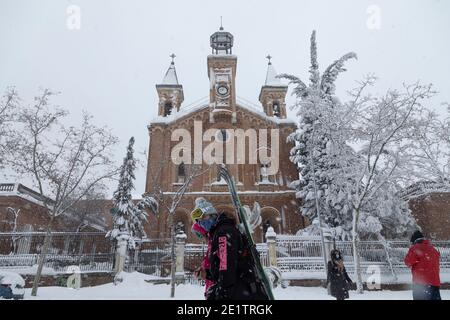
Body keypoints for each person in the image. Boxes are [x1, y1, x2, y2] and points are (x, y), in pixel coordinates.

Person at [190, 197, 269, 300]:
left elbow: (226, 266)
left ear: (211, 214)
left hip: (240, 291)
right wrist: (208, 273)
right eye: (199, 222)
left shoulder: (223, 233)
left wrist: (221, 293)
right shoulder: (220, 231)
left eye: (203, 218)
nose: (201, 223)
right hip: (241, 289)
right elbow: (225, 266)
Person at [404, 230, 441, 300]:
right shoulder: (433, 249)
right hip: (435, 284)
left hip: (421, 284)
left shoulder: (415, 248)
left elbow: (408, 262)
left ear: (414, 241)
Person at [190, 221, 214, 299]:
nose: (201, 238)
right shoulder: (210, 245)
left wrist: (205, 273)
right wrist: (201, 270)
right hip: (210, 288)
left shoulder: (214, 245)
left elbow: (217, 268)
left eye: (201, 235)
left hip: (214, 287)